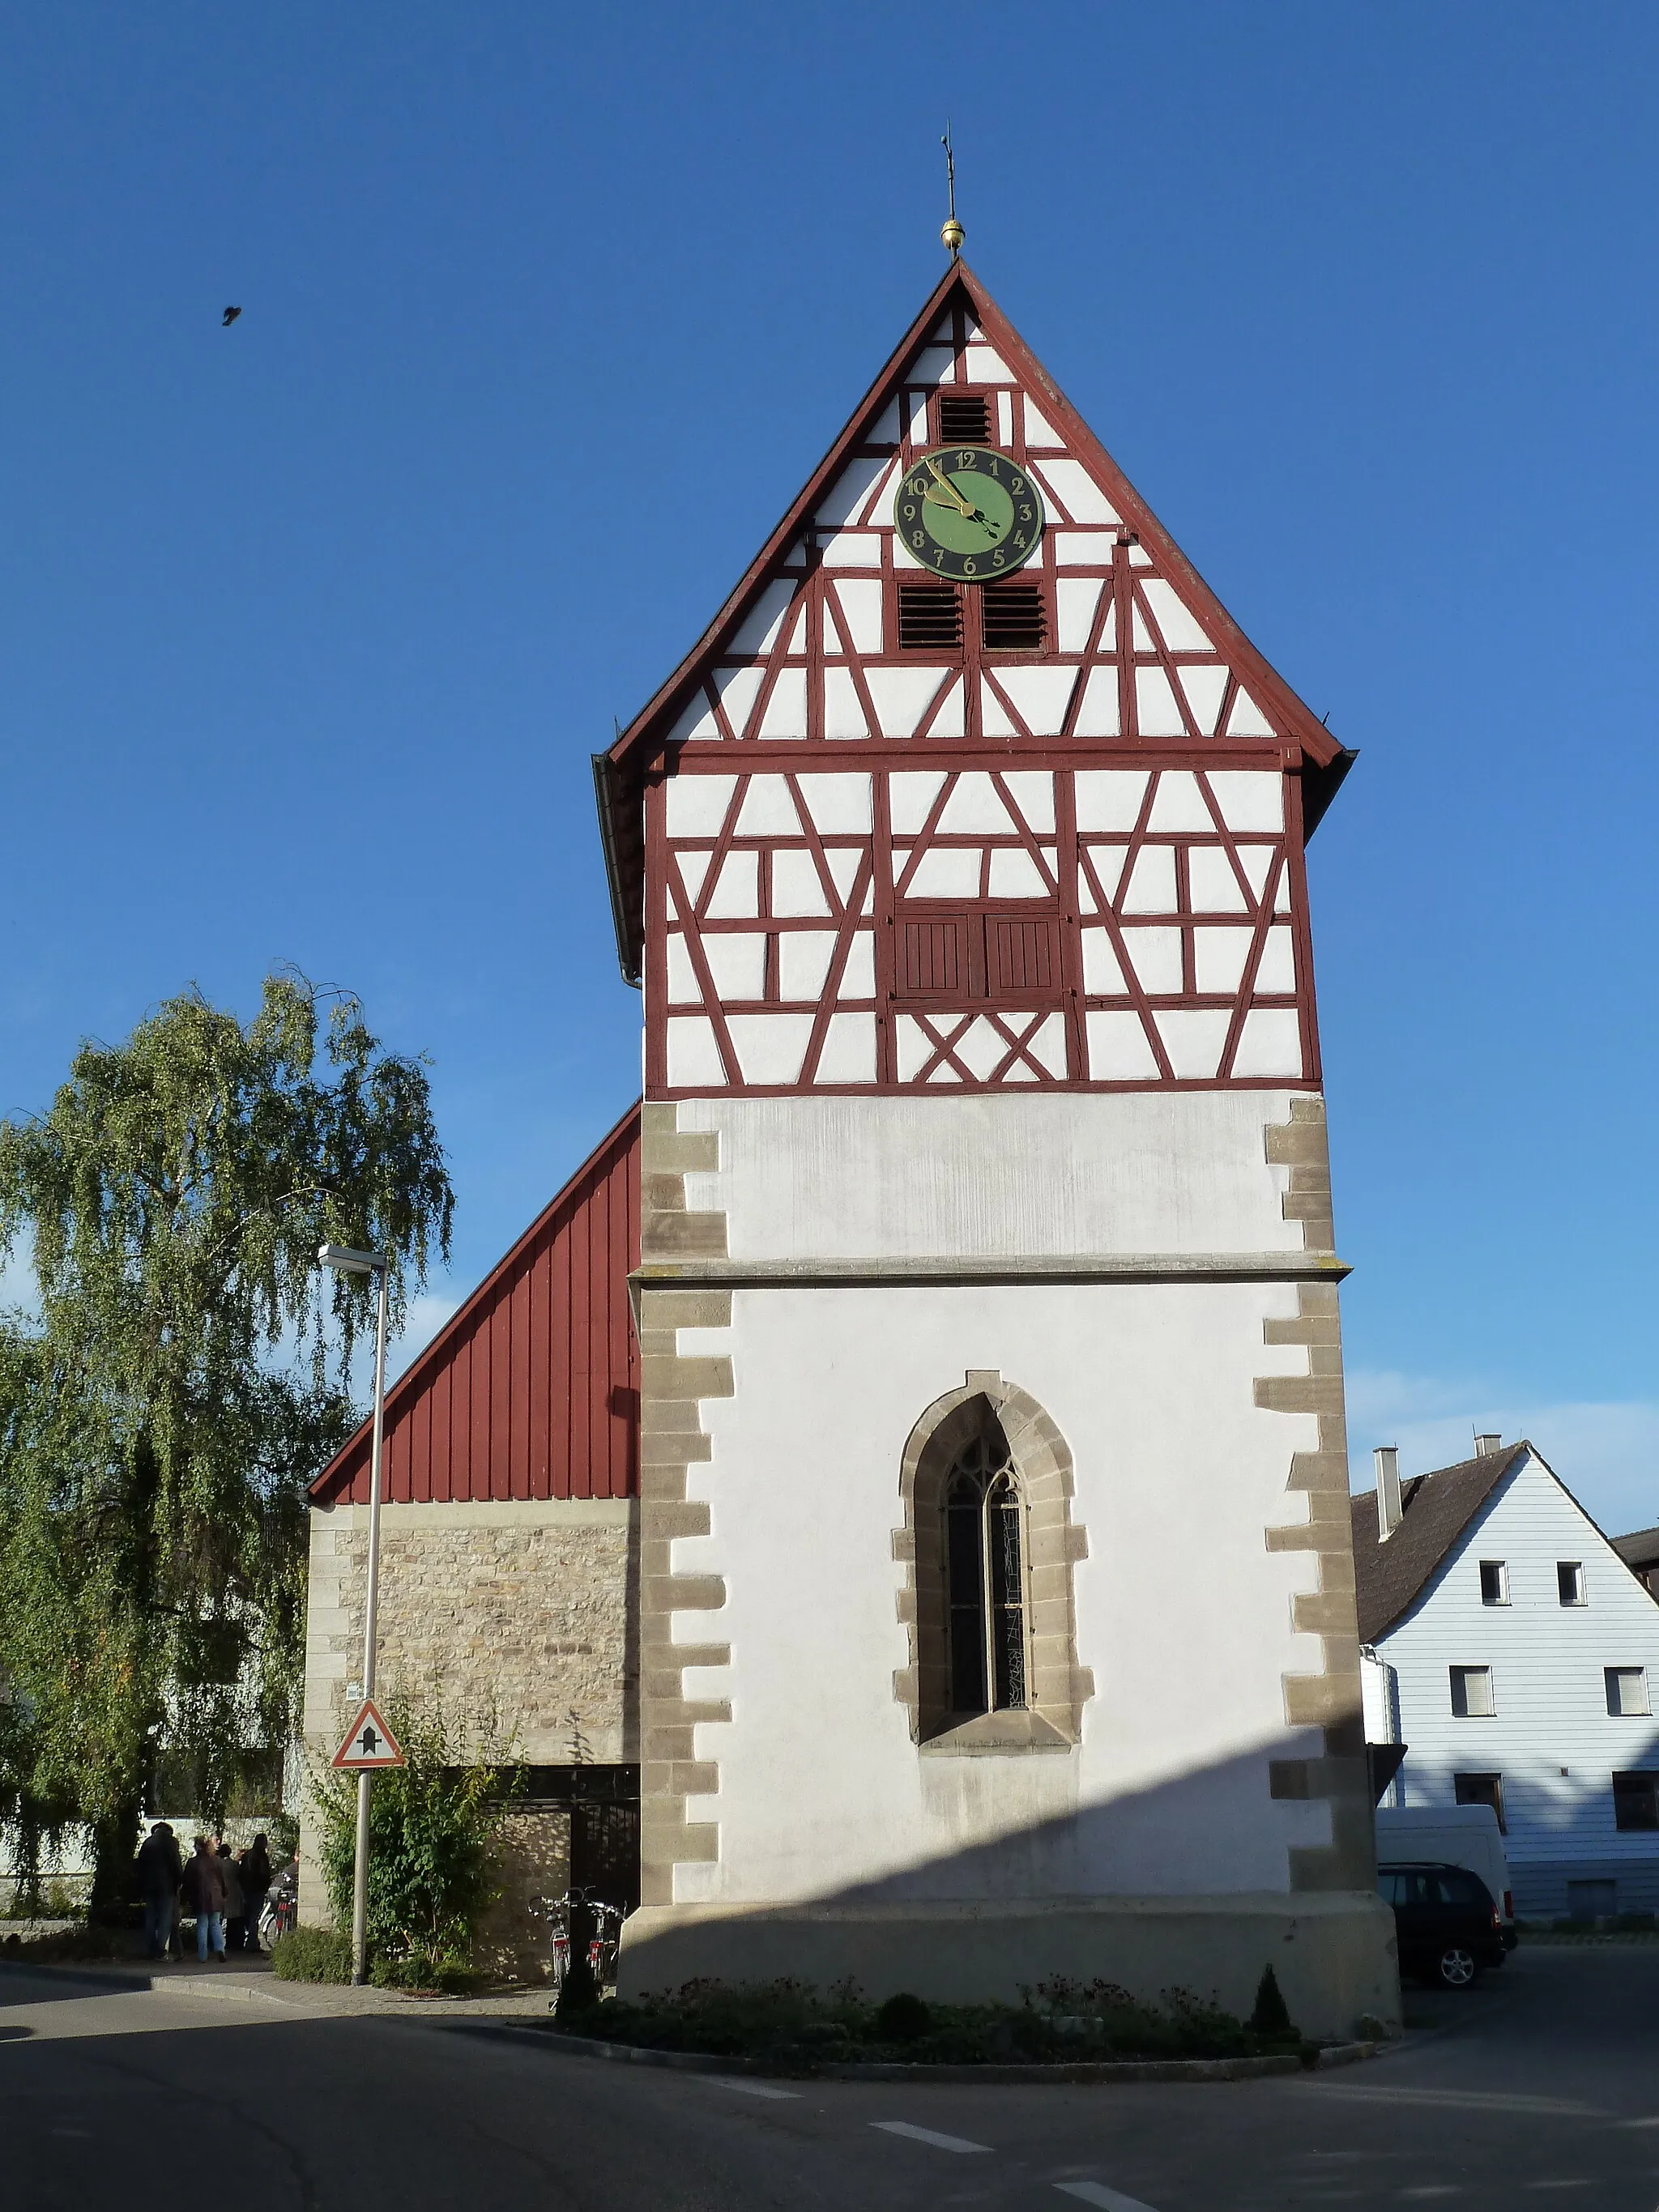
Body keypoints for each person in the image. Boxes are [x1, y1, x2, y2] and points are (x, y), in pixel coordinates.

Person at [134, 1822, 183, 1960]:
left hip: (149, 1887)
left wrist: (141, 1885)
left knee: (150, 1918)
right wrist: (179, 1882)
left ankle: (149, 1949)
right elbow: (176, 1864)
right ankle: (161, 1951)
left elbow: (139, 1865)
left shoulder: (147, 1843)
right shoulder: (170, 1843)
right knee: (165, 1919)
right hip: (166, 1887)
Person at [180, 1835, 228, 1962]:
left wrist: (183, 1899)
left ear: (197, 1846)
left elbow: (187, 1883)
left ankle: (202, 1955)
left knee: (202, 1925)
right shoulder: (217, 1860)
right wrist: (224, 1894)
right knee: (215, 1924)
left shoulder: (193, 1862)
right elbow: (223, 1880)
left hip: (200, 1897)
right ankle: (220, 1949)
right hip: (216, 1897)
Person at [237, 1834, 273, 1954]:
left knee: (248, 1916)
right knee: (254, 1917)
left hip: (246, 1890)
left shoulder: (248, 1855)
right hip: (257, 1890)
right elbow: (264, 1873)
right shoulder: (261, 1855)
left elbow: (241, 1873)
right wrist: (266, 1885)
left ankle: (248, 1941)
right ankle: (252, 1943)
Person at [218, 1841, 245, 1954]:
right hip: (233, 1892)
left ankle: (217, 1943)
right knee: (234, 1920)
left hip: (219, 1892)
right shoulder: (234, 1865)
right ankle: (234, 1943)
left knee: (217, 1920)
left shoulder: (217, 1864)